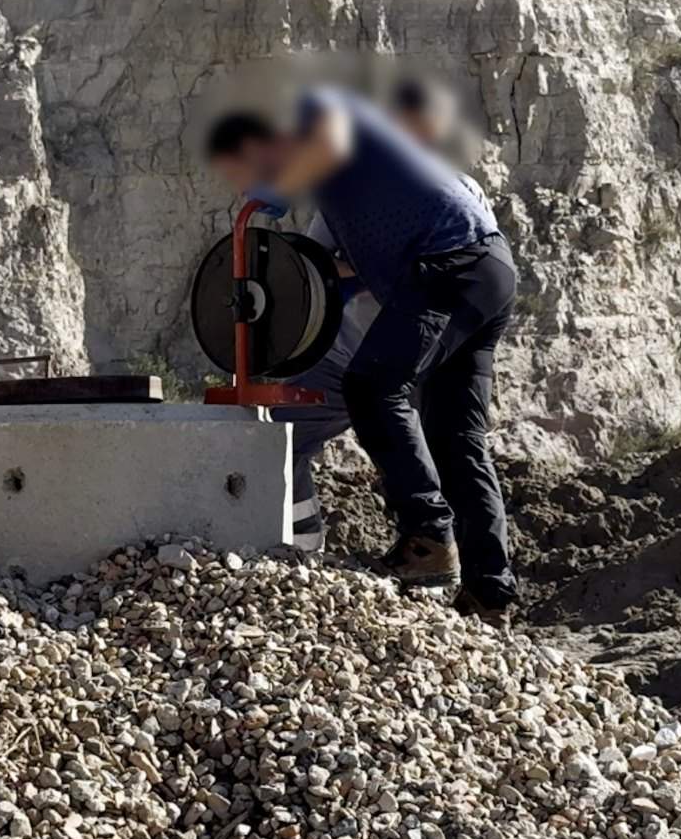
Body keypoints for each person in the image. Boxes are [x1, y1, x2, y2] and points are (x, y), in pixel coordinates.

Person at [205, 84, 519, 618]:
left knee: (371, 386)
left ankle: (427, 536)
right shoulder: (355, 199)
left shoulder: (335, 127)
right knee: (456, 437)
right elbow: (328, 285)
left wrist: (281, 175)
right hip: (488, 272)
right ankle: (490, 592)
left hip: (450, 266)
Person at [275, 79, 485, 556]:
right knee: (277, 439)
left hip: (418, 355)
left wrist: (374, 265)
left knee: (430, 461)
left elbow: (457, 272)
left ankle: (436, 563)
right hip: (345, 357)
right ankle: (301, 552)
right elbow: (316, 266)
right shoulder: (347, 198)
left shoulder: (460, 193)